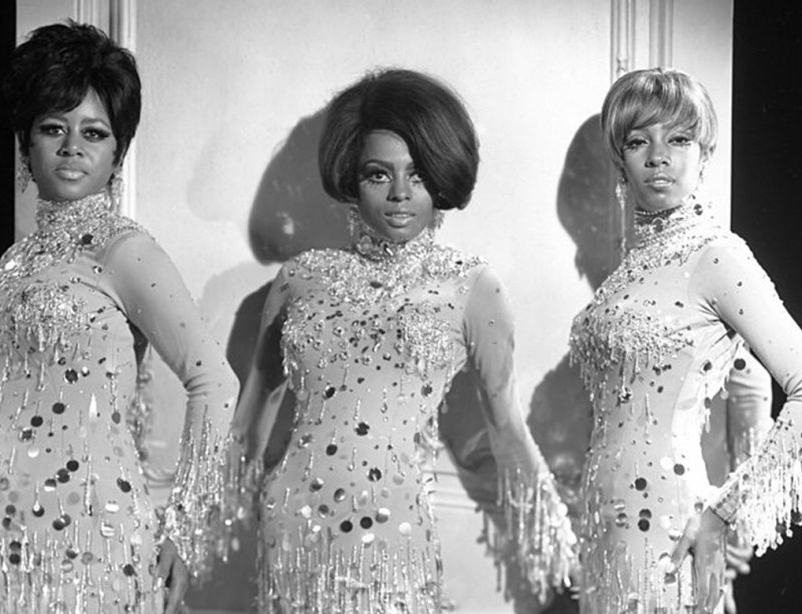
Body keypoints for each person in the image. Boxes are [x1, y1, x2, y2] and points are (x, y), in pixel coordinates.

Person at [224, 68, 577, 613]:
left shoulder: (472, 288)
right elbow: (249, 425)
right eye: (378, 174)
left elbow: (507, 429)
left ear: (442, 176)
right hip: (291, 536)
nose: (399, 195)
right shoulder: (299, 278)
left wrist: (560, 548)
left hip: (393, 544)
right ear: (351, 176)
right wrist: (189, 536)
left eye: (418, 174)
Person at [0, 21, 238, 613]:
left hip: (91, 539)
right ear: (26, 144)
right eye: (52, 128)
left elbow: (215, 380)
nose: (71, 147)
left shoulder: (124, 251)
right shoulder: (14, 263)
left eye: (94, 132)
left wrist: (184, 528)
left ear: (118, 152)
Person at [567, 68, 802, 614]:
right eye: (638, 141)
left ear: (704, 153)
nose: (658, 157)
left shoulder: (717, 256)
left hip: (668, 529)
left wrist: (725, 513)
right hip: (603, 530)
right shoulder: (630, 270)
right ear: (620, 161)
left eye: (678, 139)